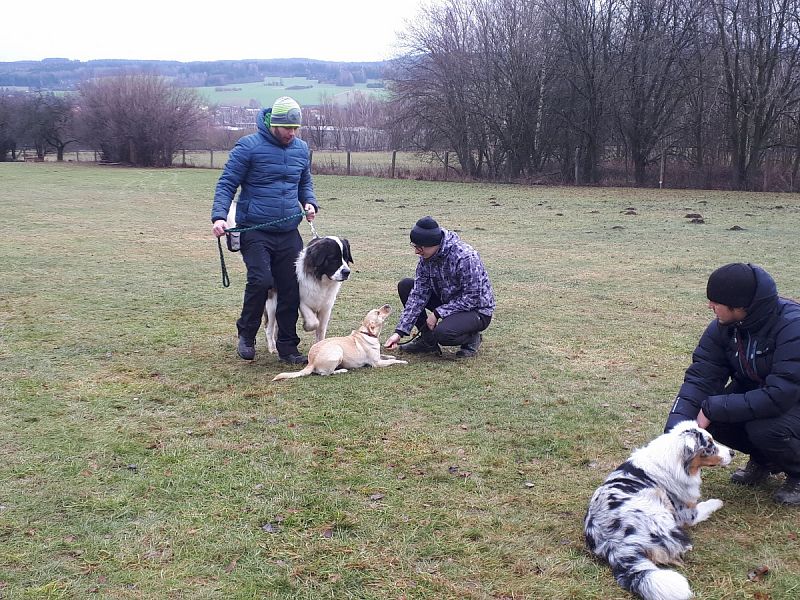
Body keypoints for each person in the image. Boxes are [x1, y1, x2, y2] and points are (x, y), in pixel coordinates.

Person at [664, 263, 800, 505]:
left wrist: (712, 407)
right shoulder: (726, 327)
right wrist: (677, 432)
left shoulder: (793, 326)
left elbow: (780, 394)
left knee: (766, 429)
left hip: (791, 401)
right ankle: (765, 460)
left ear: (740, 307)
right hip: (764, 396)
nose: (710, 306)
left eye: (716, 301)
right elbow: (701, 377)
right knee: (708, 422)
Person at [211, 96, 318, 365]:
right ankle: (246, 334)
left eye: (296, 129)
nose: (291, 133)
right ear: (273, 124)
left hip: (288, 230)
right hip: (255, 229)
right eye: (286, 128)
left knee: (291, 287)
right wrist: (219, 217)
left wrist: (309, 202)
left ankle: (287, 347)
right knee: (261, 281)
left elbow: (304, 182)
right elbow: (227, 183)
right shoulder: (248, 147)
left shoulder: (301, 149)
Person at [384, 216, 495, 358]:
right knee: (406, 286)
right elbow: (418, 295)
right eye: (414, 246)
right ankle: (427, 342)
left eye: (419, 247)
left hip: (477, 310)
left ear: (433, 244)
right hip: (448, 301)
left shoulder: (466, 257)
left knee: (443, 334)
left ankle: (471, 338)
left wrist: (438, 313)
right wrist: (399, 333)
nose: (416, 252)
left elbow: (472, 298)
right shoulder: (426, 259)